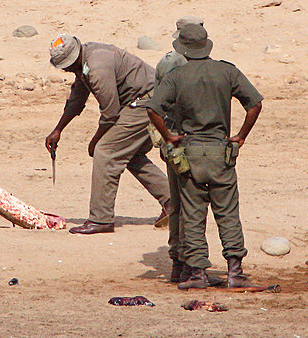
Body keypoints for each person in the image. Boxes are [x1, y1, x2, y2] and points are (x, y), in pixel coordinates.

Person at [146, 24, 263, 289]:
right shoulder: (227, 71)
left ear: (182, 50)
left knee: (193, 214)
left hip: (191, 155)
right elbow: (255, 104)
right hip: (221, 153)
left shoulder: (177, 76)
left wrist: (169, 136)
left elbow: (153, 110)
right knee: (229, 214)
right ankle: (235, 272)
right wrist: (241, 136)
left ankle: (197, 274)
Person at [44, 34, 170, 235]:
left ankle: (101, 219)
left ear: (74, 58)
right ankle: (172, 202)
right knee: (130, 153)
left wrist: (95, 142)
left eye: (66, 66)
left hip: (146, 102)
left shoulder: (97, 68)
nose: (66, 70)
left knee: (106, 152)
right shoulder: (84, 61)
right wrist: (58, 129)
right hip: (141, 101)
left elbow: (110, 113)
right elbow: (77, 98)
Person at [151, 16, 202, 284]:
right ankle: (180, 262)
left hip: (185, 142)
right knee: (183, 206)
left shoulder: (191, 64)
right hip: (177, 144)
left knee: (185, 206)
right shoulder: (173, 63)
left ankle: (184, 264)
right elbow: (160, 105)